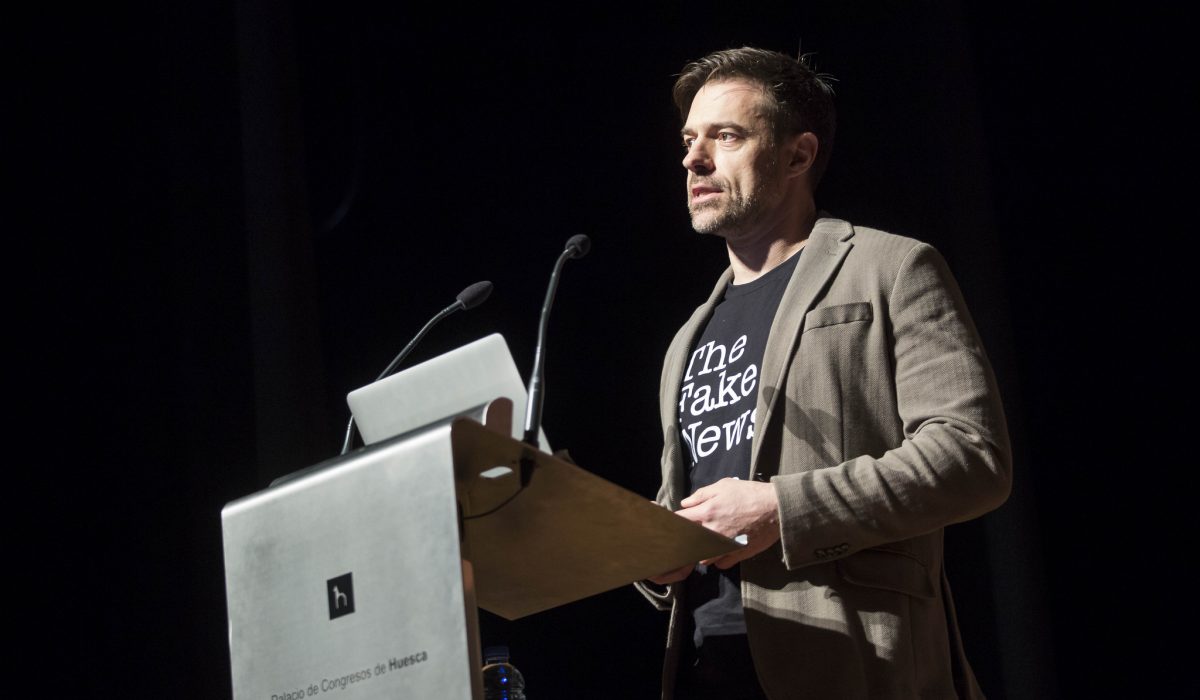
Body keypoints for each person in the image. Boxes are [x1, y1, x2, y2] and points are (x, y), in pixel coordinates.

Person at [636, 47, 1012, 699]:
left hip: (854, 664)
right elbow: (694, 509)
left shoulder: (890, 269)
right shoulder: (687, 338)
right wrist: (645, 546)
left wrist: (783, 508)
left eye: (726, 136)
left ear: (798, 155)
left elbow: (971, 456)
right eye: (689, 140)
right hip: (704, 670)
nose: (693, 159)